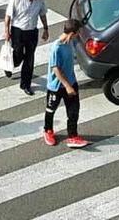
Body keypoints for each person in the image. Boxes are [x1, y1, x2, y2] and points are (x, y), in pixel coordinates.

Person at [42, 19, 88, 148]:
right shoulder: (56, 47)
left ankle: (73, 136)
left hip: (71, 82)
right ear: (72, 33)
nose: (78, 35)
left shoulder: (70, 43)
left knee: (73, 111)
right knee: (50, 110)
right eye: (77, 32)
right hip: (56, 87)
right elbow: (55, 69)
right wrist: (67, 86)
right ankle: (48, 130)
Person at [4, 0, 49, 95]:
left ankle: (26, 84)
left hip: (32, 31)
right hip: (18, 31)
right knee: (18, 54)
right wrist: (6, 31)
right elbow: (8, 16)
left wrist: (45, 28)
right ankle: (10, 65)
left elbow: (42, 14)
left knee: (29, 59)